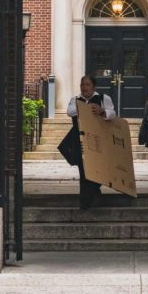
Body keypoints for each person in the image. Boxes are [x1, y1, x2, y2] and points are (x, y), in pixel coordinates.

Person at [65, 75, 116, 209]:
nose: (84, 87)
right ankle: (85, 201)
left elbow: (113, 114)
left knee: (97, 168)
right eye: (82, 85)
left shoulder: (103, 98)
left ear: (94, 87)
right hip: (80, 140)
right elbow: (69, 112)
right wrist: (85, 108)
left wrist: (102, 111)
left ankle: (92, 194)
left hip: (98, 140)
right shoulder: (75, 100)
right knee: (84, 170)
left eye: (87, 85)